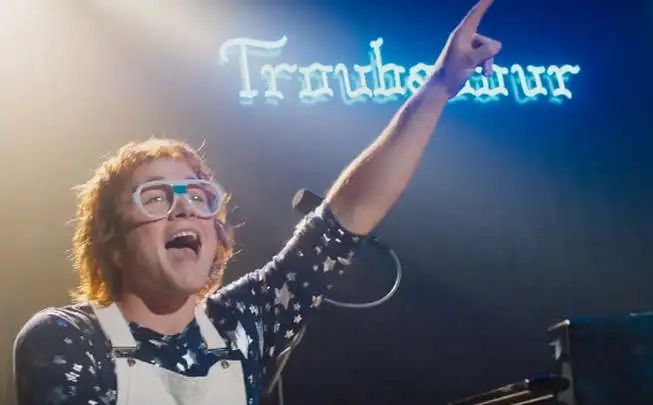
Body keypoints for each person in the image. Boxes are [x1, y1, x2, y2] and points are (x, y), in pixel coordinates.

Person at [12, 1, 502, 404]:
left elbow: (346, 215)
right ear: (112, 242)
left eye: (199, 196)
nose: (185, 208)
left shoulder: (241, 324)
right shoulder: (67, 337)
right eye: (156, 196)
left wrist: (440, 86)